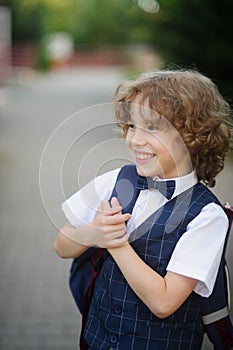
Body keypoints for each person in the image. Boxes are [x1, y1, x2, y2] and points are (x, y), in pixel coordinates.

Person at [54, 69, 232, 349]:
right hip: (95, 341)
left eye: (151, 127)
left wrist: (115, 243)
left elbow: (163, 302)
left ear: (191, 135)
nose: (135, 140)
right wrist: (93, 234)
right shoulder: (115, 180)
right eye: (132, 126)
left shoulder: (207, 216)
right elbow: (61, 246)